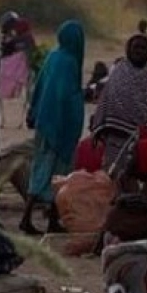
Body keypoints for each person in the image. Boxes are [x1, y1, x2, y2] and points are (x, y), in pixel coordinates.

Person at [23, 20, 86, 235]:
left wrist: (33, 111)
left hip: (45, 121)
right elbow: (64, 97)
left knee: (41, 169)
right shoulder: (69, 63)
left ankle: (43, 218)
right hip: (59, 125)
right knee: (56, 172)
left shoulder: (53, 56)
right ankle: (45, 219)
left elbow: (39, 86)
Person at [90, 33, 147, 168]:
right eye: (135, 47)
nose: (138, 51)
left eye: (142, 48)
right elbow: (107, 98)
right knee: (113, 174)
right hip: (115, 134)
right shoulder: (118, 70)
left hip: (141, 139)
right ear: (128, 49)